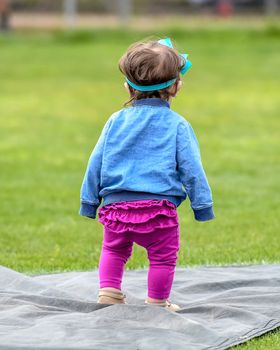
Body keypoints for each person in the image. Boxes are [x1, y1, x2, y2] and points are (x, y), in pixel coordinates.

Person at [79, 37, 215, 312]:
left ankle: (109, 292)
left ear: (128, 86)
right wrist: (202, 206)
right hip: (158, 212)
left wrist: (89, 202)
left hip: (116, 206)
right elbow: (192, 169)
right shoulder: (178, 125)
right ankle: (156, 302)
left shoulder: (115, 120)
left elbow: (96, 162)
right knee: (163, 258)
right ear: (176, 87)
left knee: (114, 250)